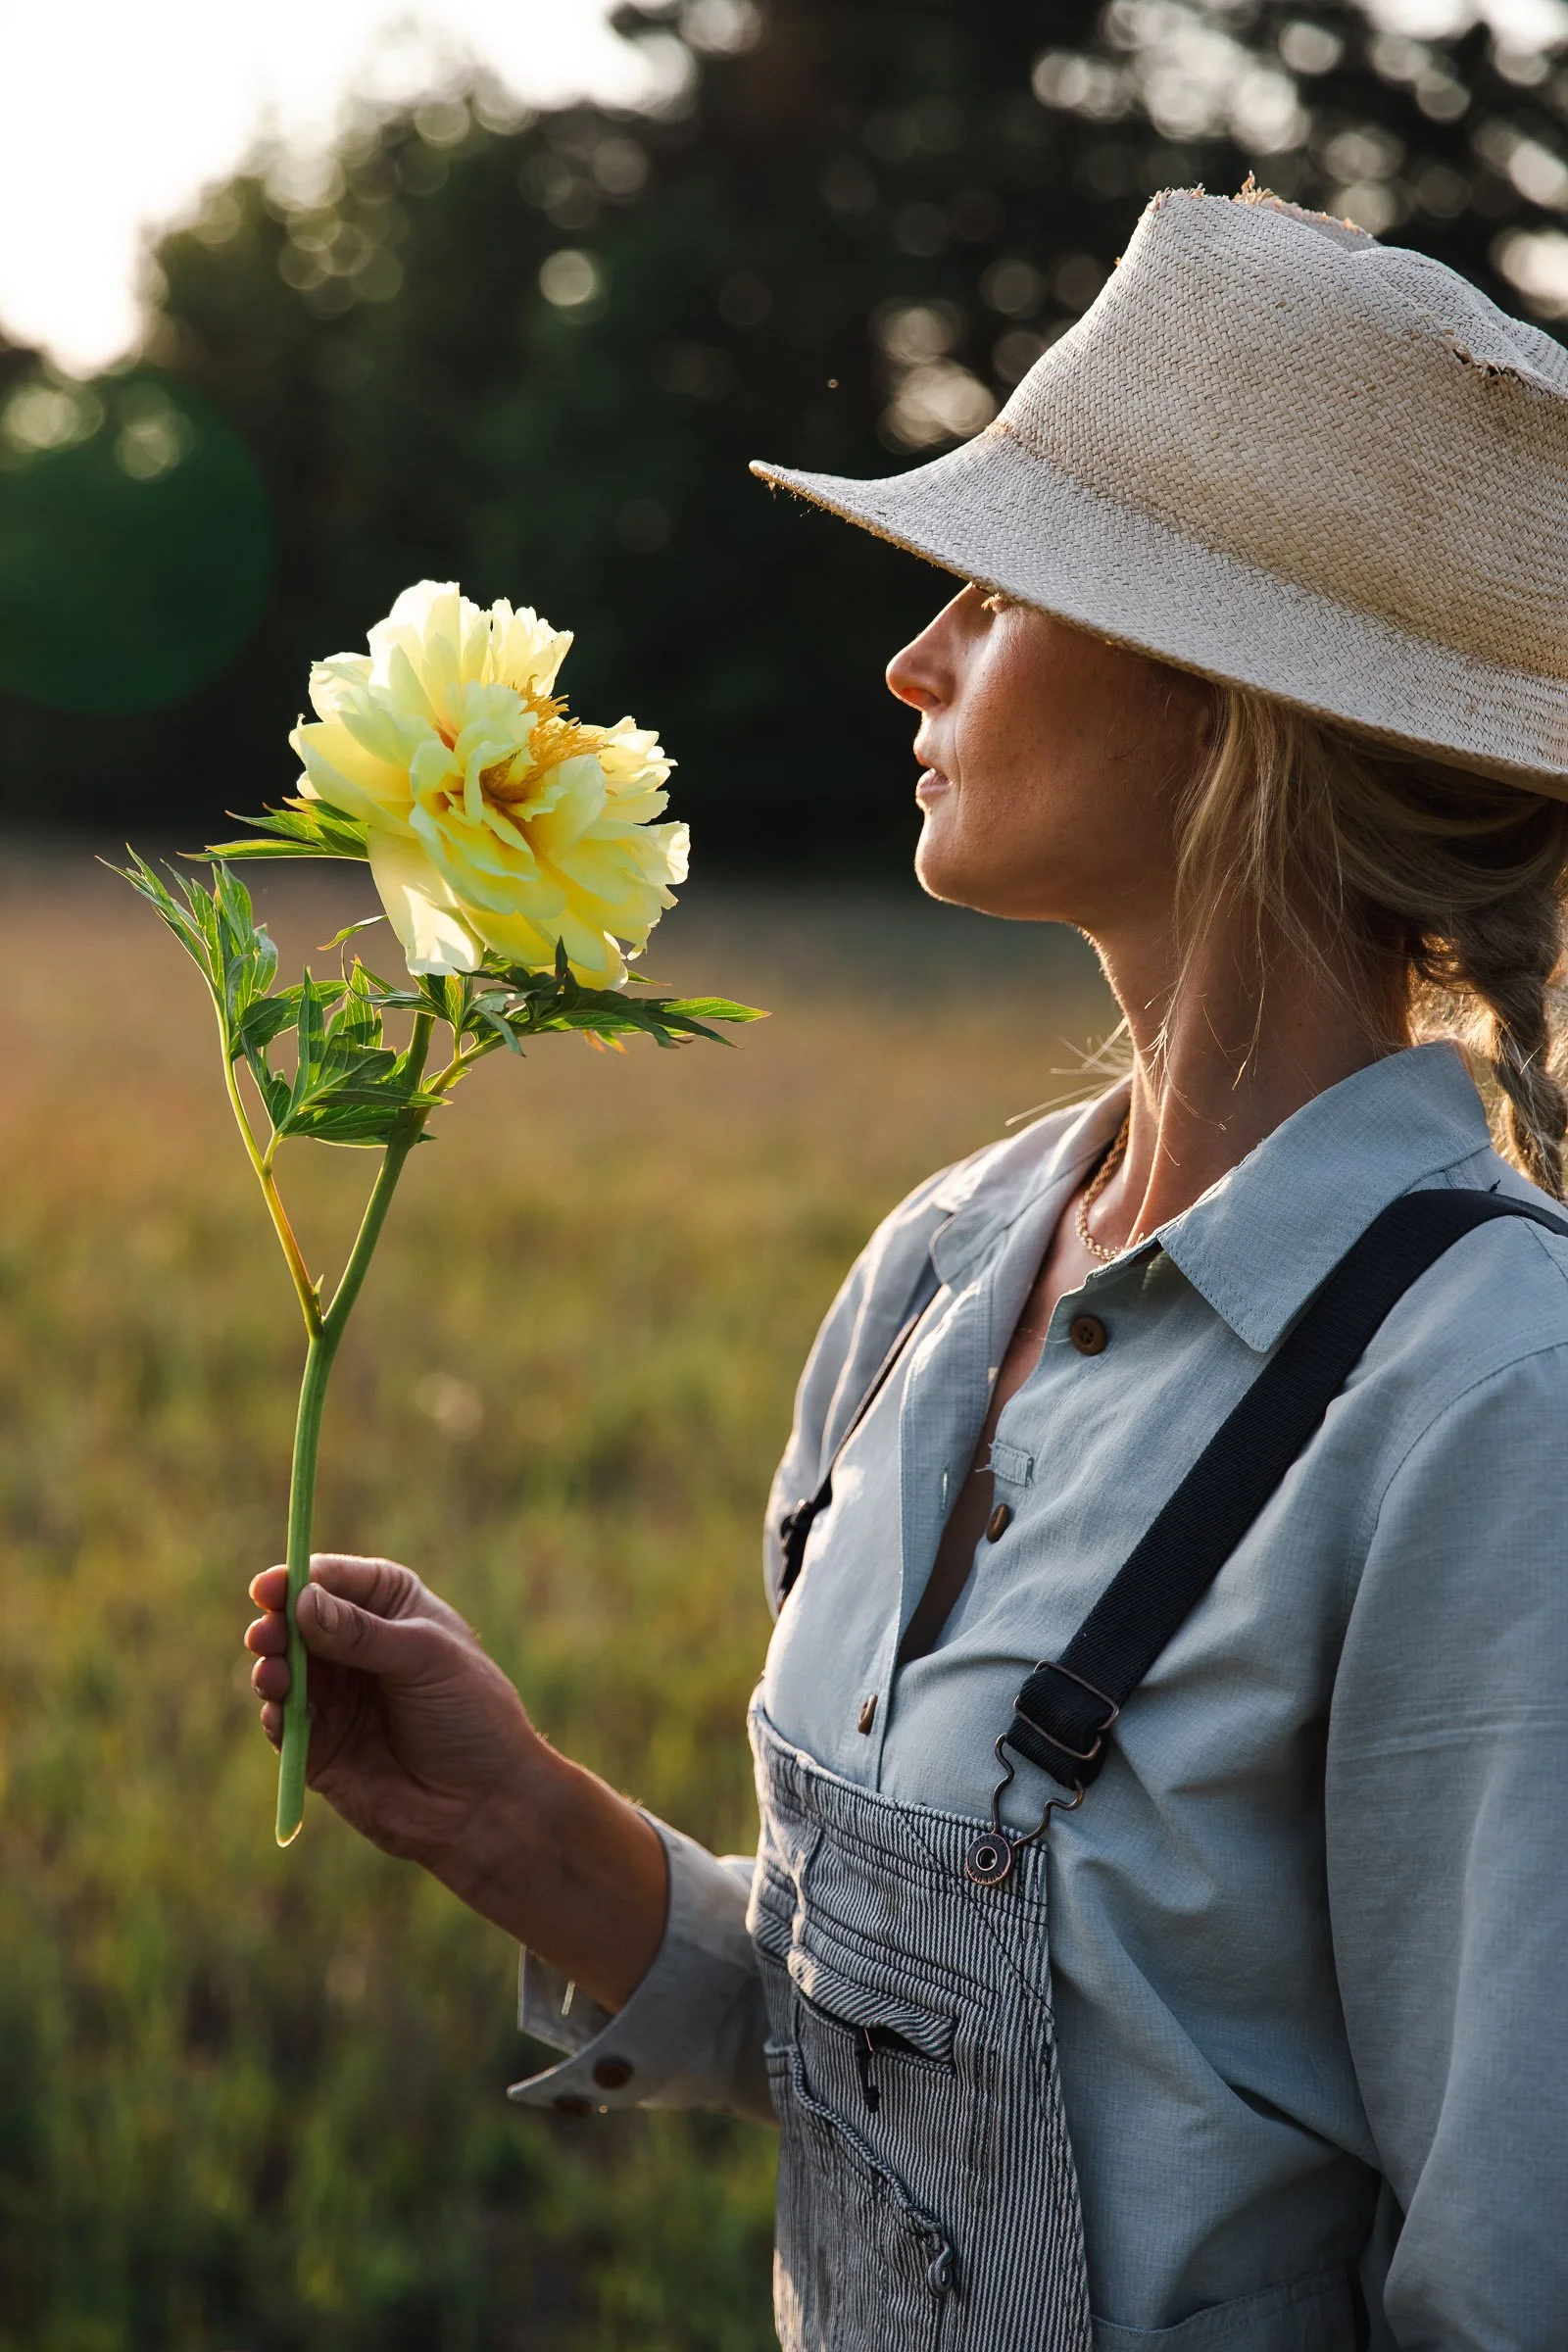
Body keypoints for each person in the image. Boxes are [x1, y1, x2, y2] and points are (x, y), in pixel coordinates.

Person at [245, 186, 1568, 2349]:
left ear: (1222, 696)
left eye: (1000, 588)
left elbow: (1510, 2286)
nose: (912, 659)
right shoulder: (940, 1270)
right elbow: (893, 2052)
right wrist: (530, 1831)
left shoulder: (1493, 1405)